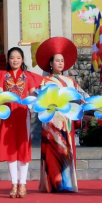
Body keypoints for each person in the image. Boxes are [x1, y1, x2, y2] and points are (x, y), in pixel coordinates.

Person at [0, 47, 43, 198]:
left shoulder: (28, 77)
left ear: (22, 60)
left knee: (23, 150)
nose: (15, 60)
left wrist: (41, 100)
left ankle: (23, 184)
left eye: (18, 57)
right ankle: (13, 183)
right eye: (12, 57)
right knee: (10, 150)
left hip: (22, 115)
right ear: (8, 60)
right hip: (7, 116)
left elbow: (32, 95)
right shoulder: (3, 76)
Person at [34, 37, 83, 194]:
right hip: (51, 119)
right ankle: (53, 182)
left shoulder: (70, 80)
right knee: (53, 149)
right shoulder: (44, 81)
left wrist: (94, 103)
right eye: (57, 61)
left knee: (65, 149)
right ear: (51, 63)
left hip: (65, 118)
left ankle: (66, 183)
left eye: (62, 61)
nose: (60, 63)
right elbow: (39, 97)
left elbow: (81, 95)